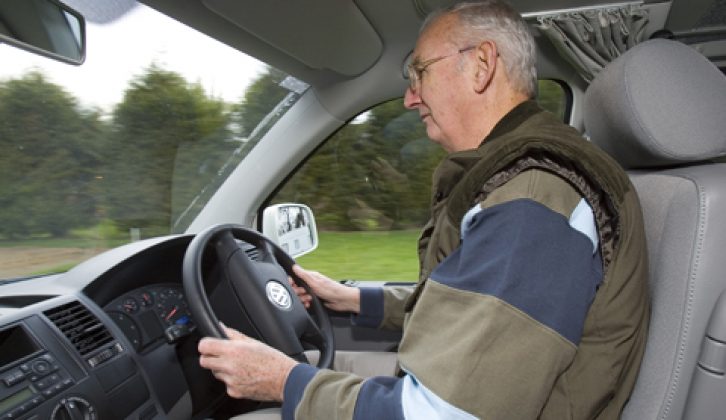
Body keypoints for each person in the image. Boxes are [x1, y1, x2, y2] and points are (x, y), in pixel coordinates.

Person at [197, 1, 650, 418]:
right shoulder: (518, 185)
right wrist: (350, 299)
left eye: (420, 72)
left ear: (481, 65)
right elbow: (470, 304)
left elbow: (443, 414)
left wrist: (282, 380)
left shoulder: (534, 200)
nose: (410, 98)